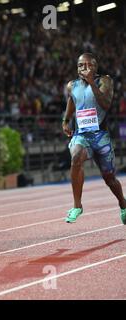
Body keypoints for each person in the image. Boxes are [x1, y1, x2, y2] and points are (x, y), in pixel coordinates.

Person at [62, 53, 126, 224]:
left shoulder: (104, 81)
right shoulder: (72, 85)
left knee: (109, 179)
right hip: (81, 135)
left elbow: (106, 104)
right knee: (76, 157)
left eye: (88, 65)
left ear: (95, 68)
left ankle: (123, 204)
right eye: (81, 65)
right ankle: (77, 206)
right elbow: (72, 100)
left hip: (101, 137)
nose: (84, 68)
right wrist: (66, 119)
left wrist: (91, 82)